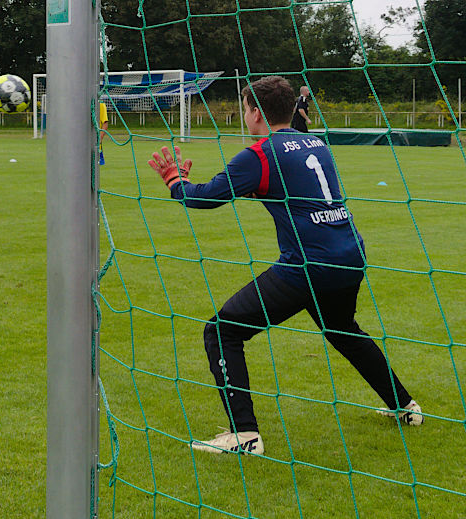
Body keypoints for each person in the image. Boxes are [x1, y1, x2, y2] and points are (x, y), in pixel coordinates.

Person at [148, 76, 421, 456]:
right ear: (292, 108)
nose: (245, 115)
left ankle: (244, 435)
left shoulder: (259, 154)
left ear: (255, 112)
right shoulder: (317, 142)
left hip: (308, 265)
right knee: (342, 329)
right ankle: (405, 406)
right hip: (350, 254)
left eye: (245, 108)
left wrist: (176, 181)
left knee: (222, 331)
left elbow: (206, 198)